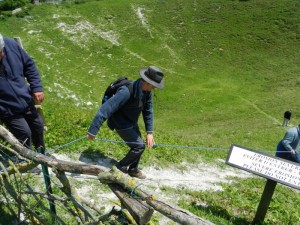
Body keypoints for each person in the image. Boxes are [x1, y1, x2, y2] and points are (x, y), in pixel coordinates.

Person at [87, 66, 164, 179]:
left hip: (131, 121)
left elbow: (148, 111)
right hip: (120, 122)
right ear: (147, 82)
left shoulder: (147, 92)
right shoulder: (126, 91)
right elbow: (105, 109)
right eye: (153, 85)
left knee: (138, 144)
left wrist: (149, 132)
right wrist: (92, 130)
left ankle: (133, 170)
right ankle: (118, 168)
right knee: (139, 147)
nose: (154, 88)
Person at [0, 33, 45, 151]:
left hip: (25, 99)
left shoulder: (9, 44)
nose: (2, 54)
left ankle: (42, 155)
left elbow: (29, 65)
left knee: (38, 126)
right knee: (24, 133)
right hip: (7, 108)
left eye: (1, 50)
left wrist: (37, 88)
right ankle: (24, 159)